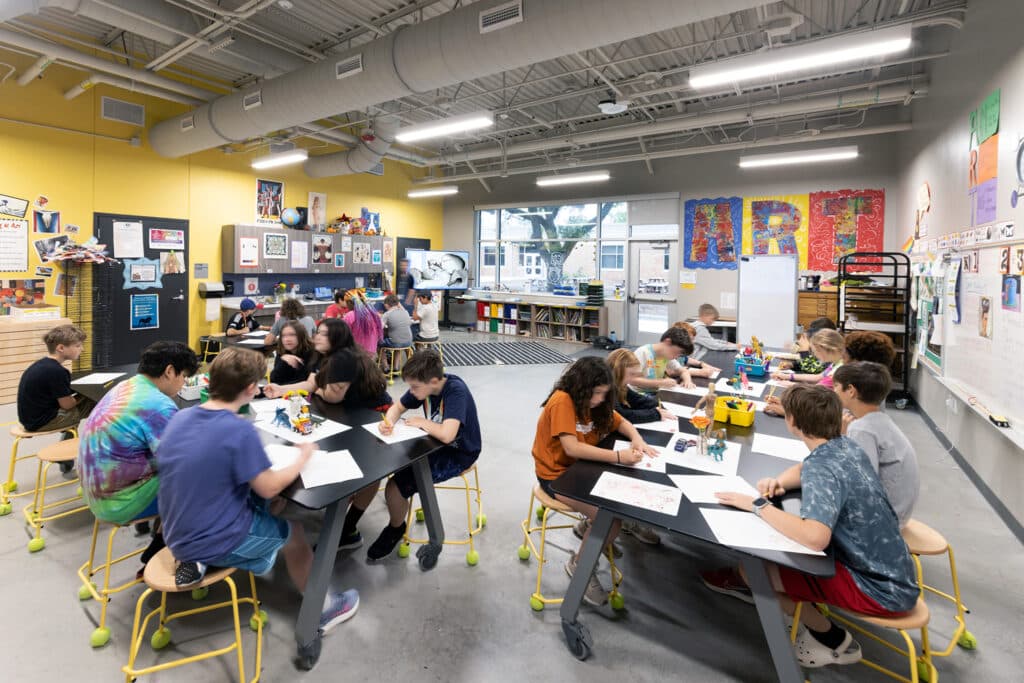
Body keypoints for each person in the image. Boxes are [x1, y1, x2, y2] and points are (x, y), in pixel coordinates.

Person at [705, 384, 918, 669]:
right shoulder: (844, 445)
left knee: (753, 571)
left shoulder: (824, 468)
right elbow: (804, 469)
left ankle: (831, 638)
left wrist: (757, 506)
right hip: (895, 571)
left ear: (792, 422)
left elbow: (815, 537)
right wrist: (780, 481)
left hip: (878, 590)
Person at [156, 347, 360, 632]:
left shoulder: (180, 417)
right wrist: (303, 456)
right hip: (209, 539)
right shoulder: (240, 432)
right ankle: (325, 608)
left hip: (174, 532)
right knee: (295, 533)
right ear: (252, 388)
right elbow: (268, 487)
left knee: (268, 501)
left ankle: (198, 558)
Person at [533, 357, 658, 605]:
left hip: (581, 468)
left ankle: (589, 531)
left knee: (624, 493)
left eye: (604, 394)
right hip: (557, 474)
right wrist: (619, 456)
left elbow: (620, 421)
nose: (600, 399)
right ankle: (579, 564)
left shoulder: (596, 402)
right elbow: (572, 448)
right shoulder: (562, 401)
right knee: (609, 518)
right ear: (582, 388)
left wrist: (637, 438)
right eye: (597, 393)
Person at [78, 342, 198, 566]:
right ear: (170, 371)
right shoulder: (158, 405)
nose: (183, 385)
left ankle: (161, 536)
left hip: (95, 490)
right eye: (184, 377)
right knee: (200, 480)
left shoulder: (126, 386)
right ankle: (178, 554)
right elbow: (181, 462)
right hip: (119, 502)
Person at [361, 350, 481, 560]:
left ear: (434, 381)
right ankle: (400, 511)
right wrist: (388, 422)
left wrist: (423, 423)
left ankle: (395, 528)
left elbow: (447, 434)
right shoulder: (425, 386)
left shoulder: (455, 391)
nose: (412, 392)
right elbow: (396, 407)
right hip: (434, 446)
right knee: (393, 464)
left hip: (459, 453)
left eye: (414, 387)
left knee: (394, 487)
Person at [833, 362, 919, 527]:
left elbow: (859, 482)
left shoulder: (862, 429)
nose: (833, 391)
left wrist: (842, 437)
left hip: (883, 521)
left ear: (851, 390)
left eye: (836, 386)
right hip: (897, 511)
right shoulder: (878, 419)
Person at [264, 318, 391, 410]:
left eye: (324, 334)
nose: (317, 337)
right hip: (351, 409)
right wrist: (280, 390)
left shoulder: (343, 357)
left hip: (374, 411)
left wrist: (317, 389)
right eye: (318, 332)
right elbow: (310, 384)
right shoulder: (321, 355)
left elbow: (333, 397)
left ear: (338, 337)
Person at [17, 324, 94, 435]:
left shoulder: (42, 364)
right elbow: (67, 405)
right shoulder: (58, 372)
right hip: (42, 422)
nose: (82, 349)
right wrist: (84, 395)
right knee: (96, 402)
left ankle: (68, 438)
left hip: (30, 420)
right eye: (78, 346)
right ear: (61, 348)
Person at [766, 329, 846, 416]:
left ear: (822, 349)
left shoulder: (838, 372)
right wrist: (788, 377)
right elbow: (818, 377)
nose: (815, 355)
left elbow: (815, 391)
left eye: (815, 352)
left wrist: (787, 410)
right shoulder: (838, 362)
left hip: (824, 412)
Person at [606, 348, 676, 425]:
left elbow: (637, 399)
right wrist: (656, 414)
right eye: (631, 374)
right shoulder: (606, 389)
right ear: (617, 372)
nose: (633, 378)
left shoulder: (621, 384)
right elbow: (622, 415)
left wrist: (658, 406)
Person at [630, 327, 696, 391]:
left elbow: (683, 371)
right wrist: (661, 383)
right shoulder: (643, 352)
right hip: (638, 394)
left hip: (655, 392)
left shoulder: (666, 356)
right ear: (668, 342)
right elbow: (632, 379)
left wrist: (687, 381)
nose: (676, 357)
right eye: (677, 352)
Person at [269, 321, 319, 386]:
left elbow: (305, 381)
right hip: (285, 393)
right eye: (284, 336)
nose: (287, 339)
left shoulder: (312, 352)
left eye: (292, 335)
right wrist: (283, 361)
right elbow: (273, 380)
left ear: (301, 335)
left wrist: (281, 387)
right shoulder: (282, 352)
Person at [341, 289, 383, 356]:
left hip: (357, 354)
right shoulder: (373, 313)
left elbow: (343, 335)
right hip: (372, 352)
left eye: (346, 302)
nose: (346, 305)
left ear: (349, 303)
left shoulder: (349, 316)